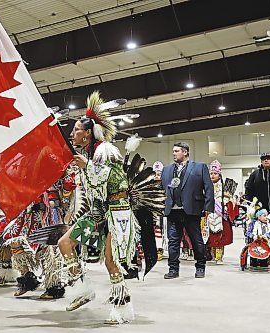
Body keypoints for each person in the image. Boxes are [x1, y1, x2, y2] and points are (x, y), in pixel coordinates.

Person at [58, 91, 164, 324]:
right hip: (98, 212)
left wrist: (88, 167)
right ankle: (82, 289)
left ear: (88, 133)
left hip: (117, 212)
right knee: (64, 243)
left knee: (111, 261)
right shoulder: (86, 153)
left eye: (76, 129)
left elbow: (116, 181)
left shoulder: (105, 151)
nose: (72, 133)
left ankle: (121, 307)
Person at [160, 142, 214, 279]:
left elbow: (208, 188)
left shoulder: (199, 167)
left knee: (196, 240)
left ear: (185, 152)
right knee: (173, 241)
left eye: (177, 151)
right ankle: (173, 269)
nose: (173, 153)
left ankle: (200, 267)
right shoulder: (166, 170)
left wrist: (208, 208)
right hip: (172, 211)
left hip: (192, 210)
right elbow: (161, 191)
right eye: (173, 151)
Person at [204, 160, 234, 264]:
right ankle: (212, 255)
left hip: (221, 214)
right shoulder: (205, 185)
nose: (212, 175)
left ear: (219, 174)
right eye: (211, 173)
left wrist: (224, 204)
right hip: (209, 213)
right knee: (210, 236)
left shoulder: (226, 185)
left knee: (220, 236)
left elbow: (230, 200)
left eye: (215, 173)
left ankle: (219, 256)